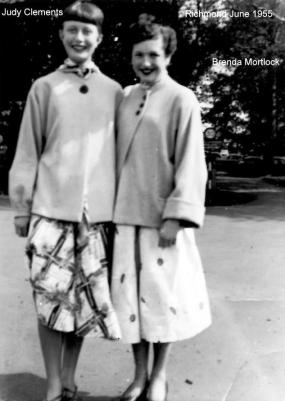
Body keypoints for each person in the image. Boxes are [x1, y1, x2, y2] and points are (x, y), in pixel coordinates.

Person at [9, 2, 122, 401]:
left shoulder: (114, 91)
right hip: (51, 212)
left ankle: (70, 378)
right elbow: (27, 150)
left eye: (87, 31)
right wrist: (23, 206)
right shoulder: (44, 87)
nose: (79, 38)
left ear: (99, 38)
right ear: (61, 34)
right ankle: (53, 384)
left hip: (97, 217)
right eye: (72, 29)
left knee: (82, 304)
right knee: (50, 301)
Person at [111, 14, 212, 401]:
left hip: (162, 222)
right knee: (132, 303)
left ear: (167, 54)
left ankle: (160, 375)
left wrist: (176, 216)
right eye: (139, 55)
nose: (146, 63)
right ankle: (138, 375)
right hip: (125, 219)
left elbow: (192, 161)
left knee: (163, 300)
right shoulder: (125, 96)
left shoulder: (182, 98)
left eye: (153, 54)